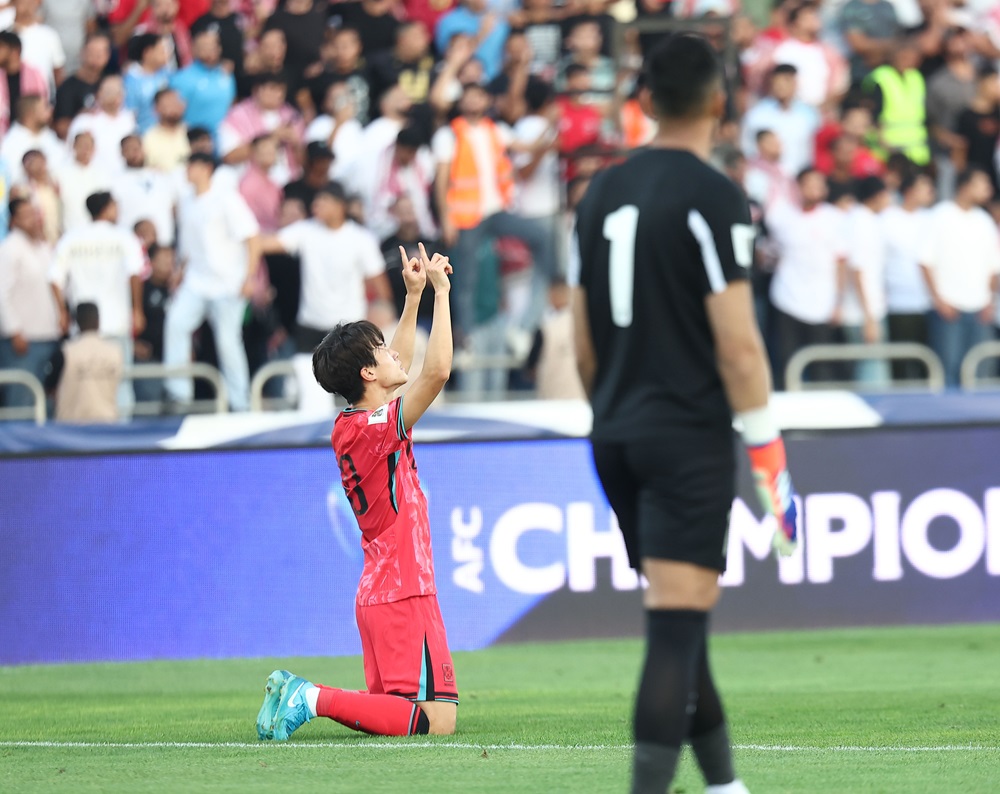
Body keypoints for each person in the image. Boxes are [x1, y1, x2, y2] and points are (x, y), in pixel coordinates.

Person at [573, 35, 799, 793]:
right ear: (718, 100)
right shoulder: (713, 194)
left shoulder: (600, 191)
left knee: (684, 610)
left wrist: (614, 411)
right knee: (675, 626)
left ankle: (726, 785)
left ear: (642, 100)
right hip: (684, 435)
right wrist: (767, 450)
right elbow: (738, 347)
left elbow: (582, 340)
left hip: (613, 433)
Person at [256, 242, 458, 741]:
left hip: (383, 591)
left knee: (407, 717)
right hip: (403, 589)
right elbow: (434, 373)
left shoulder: (356, 423)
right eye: (382, 351)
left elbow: (401, 369)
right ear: (368, 373)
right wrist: (440, 294)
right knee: (434, 725)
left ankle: (300, 696)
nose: (394, 351)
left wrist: (410, 299)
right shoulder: (371, 428)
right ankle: (310, 697)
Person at [260, 180, 392, 414]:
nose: (316, 206)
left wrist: (383, 312)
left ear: (340, 205)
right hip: (310, 329)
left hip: (349, 333)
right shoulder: (306, 231)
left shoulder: (361, 239)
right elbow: (267, 243)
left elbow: (380, 286)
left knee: (361, 402)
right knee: (312, 403)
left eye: (323, 202)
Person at [164, 152, 261, 411]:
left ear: (206, 168)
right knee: (176, 323)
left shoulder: (226, 198)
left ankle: (240, 404)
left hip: (228, 283)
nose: (187, 170)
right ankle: (179, 395)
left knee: (228, 342)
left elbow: (252, 237)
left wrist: (249, 277)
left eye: (192, 164)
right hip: (196, 281)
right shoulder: (186, 201)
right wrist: (179, 272)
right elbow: (187, 244)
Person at [50, 191, 145, 415]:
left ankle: (83, 439)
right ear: (108, 208)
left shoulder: (72, 239)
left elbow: (54, 278)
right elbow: (135, 274)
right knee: (120, 381)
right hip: (116, 322)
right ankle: (120, 437)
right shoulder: (124, 237)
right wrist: (137, 310)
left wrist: (63, 312)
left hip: (83, 326)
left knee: (79, 384)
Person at [767, 167, 848, 388]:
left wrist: (838, 301)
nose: (815, 189)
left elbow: (841, 262)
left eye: (819, 184)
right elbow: (771, 253)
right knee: (786, 362)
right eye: (810, 184)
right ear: (798, 187)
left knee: (821, 365)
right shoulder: (781, 216)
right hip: (787, 298)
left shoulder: (834, 218)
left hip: (822, 303)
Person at [920, 167, 1000, 386]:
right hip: (948, 309)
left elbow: (994, 267)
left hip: (980, 309)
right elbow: (925, 261)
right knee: (949, 372)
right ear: (965, 186)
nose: (988, 189)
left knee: (981, 372)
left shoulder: (984, 220)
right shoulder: (940, 215)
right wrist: (938, 300)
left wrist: (990, 302)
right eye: (982, 183)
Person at [0, 196, 62, 408]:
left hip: (49, 335)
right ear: (14, 221)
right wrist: (14, 330)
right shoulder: (9, 248)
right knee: (22, 401)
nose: (33, 220)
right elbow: (2, 293)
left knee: (49, 401)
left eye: (34, 214)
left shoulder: (43, 247)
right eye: (26, 216)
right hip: (23, 341)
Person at [883, 171, 934, 379]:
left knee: (928, 365)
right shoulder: (887, 218)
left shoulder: (931, 219)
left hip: (929, 303)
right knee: (901, 363)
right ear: (910, 191)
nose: (931, 191)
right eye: (925, 187)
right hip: (898, 302)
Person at [841, 175, 891, 385]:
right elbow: (857, 270)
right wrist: (869, 317)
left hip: (869, 309)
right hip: (863, 313)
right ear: (877, 196)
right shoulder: (861, 222)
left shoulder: (866, 220)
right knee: (872, 375)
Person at [740, 64, 820, 178]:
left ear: (795, 83)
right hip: (766, 180)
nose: (781, 86)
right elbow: (747, 149)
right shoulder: (756, 115)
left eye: (786, 81)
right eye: (777, 82)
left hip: (800, 180)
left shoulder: (809, 115)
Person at [49, 302, 123, 424]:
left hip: (71, 426)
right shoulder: (115, 352)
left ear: (76, 323)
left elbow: (50, 388)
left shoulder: (65, 352)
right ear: (99, 322)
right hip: (108, 424)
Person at [113, 135, 178, 246]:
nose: (134, 153)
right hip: (131, 245)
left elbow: (173, 208)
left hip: (163, 244)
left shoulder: (161, 177)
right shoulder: (115, 182)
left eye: (137, 148)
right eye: (129, 149)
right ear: (122, 153)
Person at [66, 75, 137, 176]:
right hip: (92, 178)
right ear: (99, 94)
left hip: (125, 177)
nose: (114, 97)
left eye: (118, 92)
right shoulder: (84, 121)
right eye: (109, 92)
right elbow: (71, 153)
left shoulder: (129, 120)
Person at [169, 28, 235, 136]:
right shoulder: (181, 78)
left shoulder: (226, 73)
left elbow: (231, 103)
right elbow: (174, 114)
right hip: (195, 142)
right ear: (193, 49)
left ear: (219, 48)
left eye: (212, 46)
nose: (209, 50)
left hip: (224, 141)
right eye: (203, 47)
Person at [52, 31, 110, 140]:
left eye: (100, 54)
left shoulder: (109, 83)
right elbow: (61, 128)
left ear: (107, 56)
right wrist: (83, 116)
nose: (96, 58)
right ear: (82, 53)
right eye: (92, 52)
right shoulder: (67, 87)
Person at [0, 94, 62, 184]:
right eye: (45, 108)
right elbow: (11, 178)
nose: (50, 111)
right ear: (30, 113)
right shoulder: (11, 142)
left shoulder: (49, 135)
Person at [57, 131, 111, 233]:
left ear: (94, 149)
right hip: (71, 229)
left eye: (88, 146)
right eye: (81, 145)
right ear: (73, 146)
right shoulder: (61, 173)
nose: (85, 150)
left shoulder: (103, 173)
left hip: (98, 231)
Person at [123, 33, 171, 135]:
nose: (167, 54)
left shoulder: (168, 75)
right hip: (144, 135)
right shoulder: (131, 81)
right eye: (162, 51)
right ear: (148, 52)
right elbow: (129, 114)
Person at [143, 87, 191, 172]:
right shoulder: (148, 138)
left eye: (176, 102)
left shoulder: (192, 133)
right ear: (156, 109)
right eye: (169, 103)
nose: (174, 107)